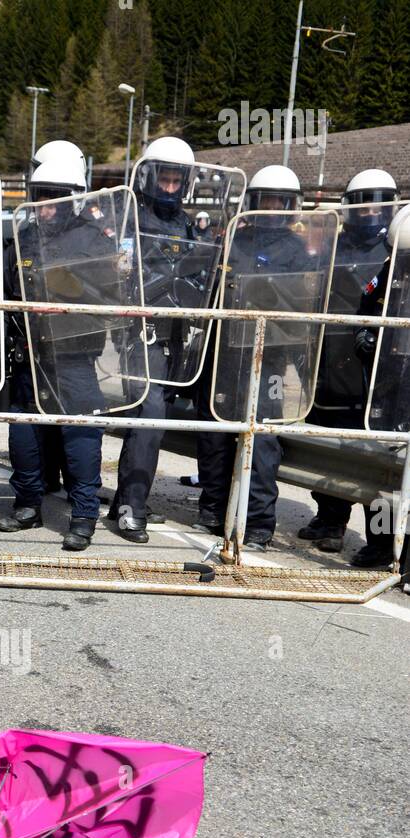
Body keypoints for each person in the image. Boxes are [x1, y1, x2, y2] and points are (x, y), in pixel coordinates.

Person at [195, 165, 314, 550]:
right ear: (254, 202)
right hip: (227, 353)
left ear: (291, 206)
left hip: (272, 358)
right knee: (216, 432)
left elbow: (302, 305)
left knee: (262, 440)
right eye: (266, 200)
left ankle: (259, 521)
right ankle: (214, 507)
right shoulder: (235, 239)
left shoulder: (298, 252)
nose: (273, 208)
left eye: (280, 201)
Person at [0, 155, 112, 551]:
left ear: (74, 199)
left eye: (54, 199)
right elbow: (6, 287)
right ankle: (28, 503)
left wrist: (67, 298)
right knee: (23, 434)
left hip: (74, 354)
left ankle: (83, 515)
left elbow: (110, 296)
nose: (44, 207)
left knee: (80, 436)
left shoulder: (95, 239)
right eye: (40, 197)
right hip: (28, 351)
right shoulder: (22, 235)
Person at [298, 168, 397, 553]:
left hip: (377, 372)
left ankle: (381, 540)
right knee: (327, 445)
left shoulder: (397, 252)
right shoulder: (332, 249)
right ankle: (330, 519)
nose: (371, 214)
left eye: (379, 206)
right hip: (331, 362)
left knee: (379, 464)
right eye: (364, 206)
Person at [110, 136, 201, 543]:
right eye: (162, 179)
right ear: (149, 177)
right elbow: (121, 272)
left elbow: (200, 273)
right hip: (140, 333)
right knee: (149, 420)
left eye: (174, 180)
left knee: (151, 422)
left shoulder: (185, 223)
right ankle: (131, 510)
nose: (168, 187)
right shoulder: (129, 216)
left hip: (176, 335)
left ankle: (128, 500)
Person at [351, 204, 410, 571]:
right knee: (381, 465)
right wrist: (365, 335)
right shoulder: (389, 270)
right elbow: (366, 306)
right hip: (389, 377)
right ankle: (379, 544)